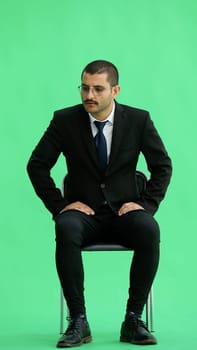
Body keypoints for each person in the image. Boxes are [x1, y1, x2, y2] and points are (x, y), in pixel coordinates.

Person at [27, 59, 172, 347]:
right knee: (65, 225)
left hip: (124, 213)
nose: (89, 96)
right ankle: (78, 321)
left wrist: (147, 204)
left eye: (97, 89)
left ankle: (133, 319)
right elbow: (37, 165)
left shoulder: (139, 120)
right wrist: (59, 205)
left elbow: (162, 165)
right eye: (84, 87)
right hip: (85, 215)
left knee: (149, 228)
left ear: (115, 90)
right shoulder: (64, 121)